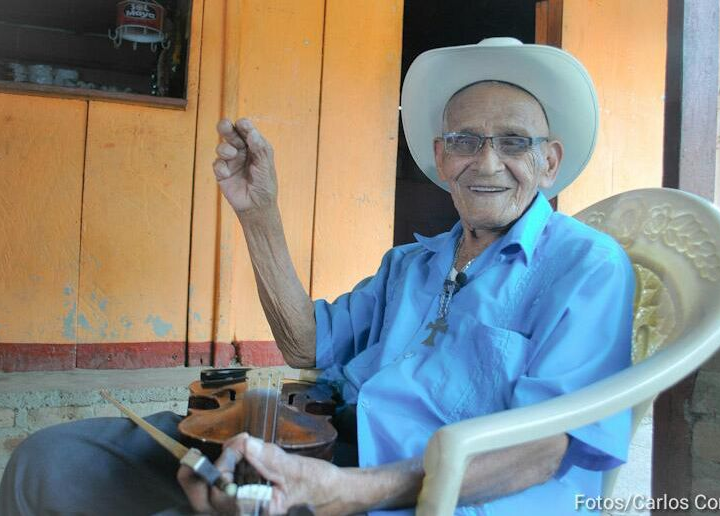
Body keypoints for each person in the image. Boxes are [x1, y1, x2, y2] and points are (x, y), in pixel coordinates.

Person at [1, 38, 634, 516]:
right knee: (47, 463)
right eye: (466, 141)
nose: (486, 162)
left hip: (415, 496)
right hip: (312, 448)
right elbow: (307, 344)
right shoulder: (413, 263)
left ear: (550, 162)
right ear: (441, 158)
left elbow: (544, 447)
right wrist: (260, 214)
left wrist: (347, 491)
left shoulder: (586, 267)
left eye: (514, 142)